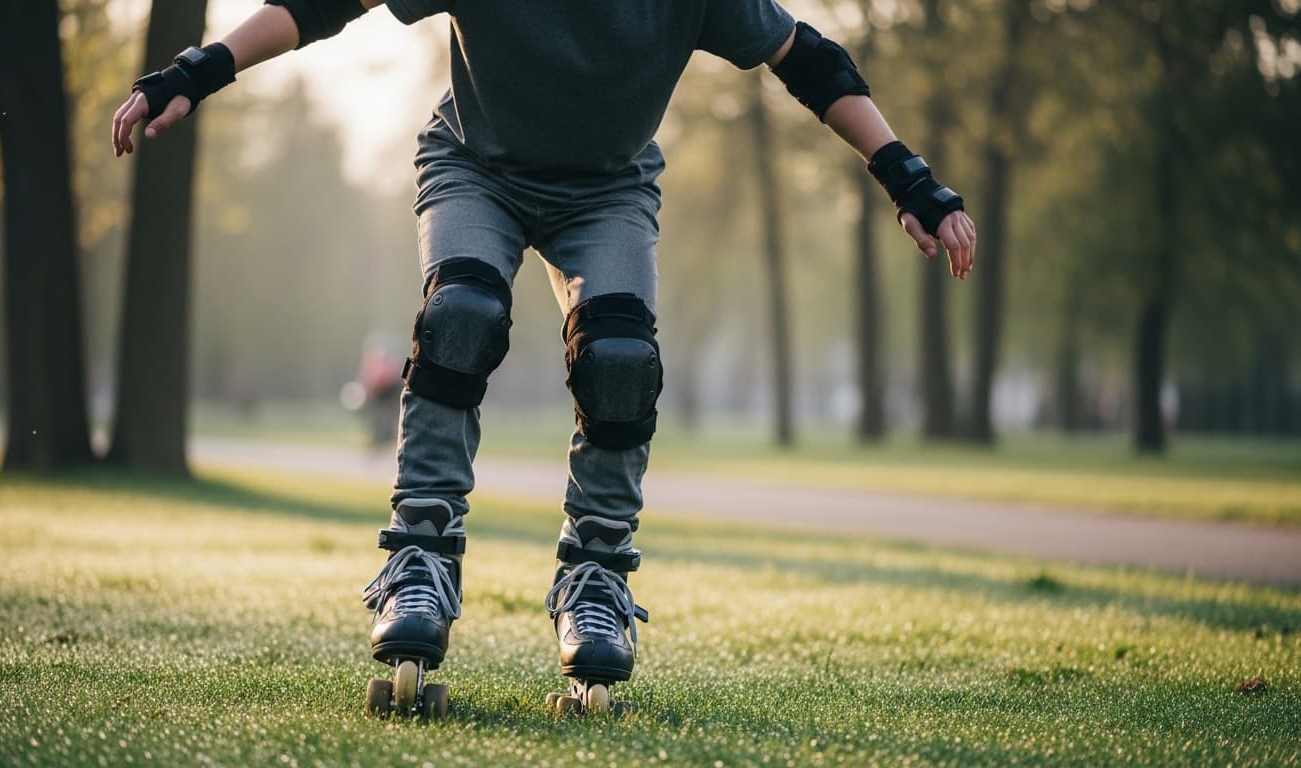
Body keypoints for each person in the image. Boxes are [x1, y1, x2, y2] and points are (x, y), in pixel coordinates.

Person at [111, 0, 977, 718]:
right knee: (461, 315)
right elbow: (320, 5)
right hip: (474, 169)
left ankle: (595, 579)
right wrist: (198, 69)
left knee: (620, 362)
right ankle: (420, 558)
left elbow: (808, 59)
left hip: (608, 190)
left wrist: (908, 179)